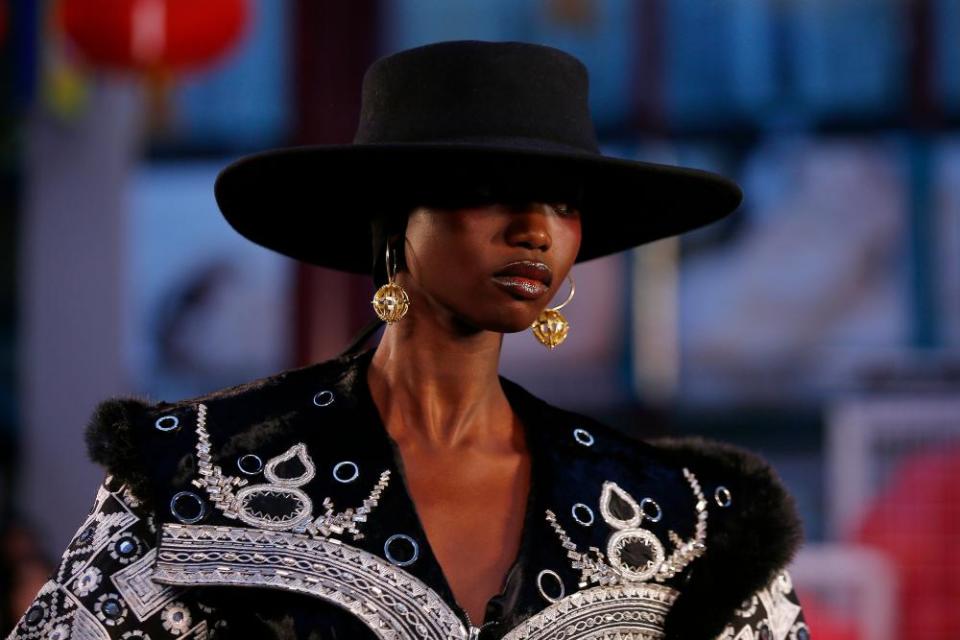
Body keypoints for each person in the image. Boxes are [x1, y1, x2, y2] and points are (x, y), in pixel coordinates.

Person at [8, 41, 807, 640]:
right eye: (490, 189)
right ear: (397, 219)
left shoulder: (680, 518)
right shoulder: (201, 473)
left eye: (563, 203)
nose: (535, 229)